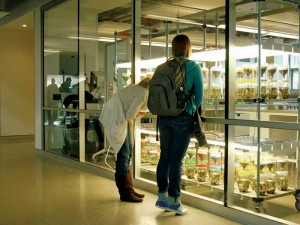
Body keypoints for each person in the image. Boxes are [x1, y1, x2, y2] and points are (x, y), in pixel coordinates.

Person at [155, 34, 204, 215]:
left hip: (164, 118)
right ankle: (175, 201)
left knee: (165, 157)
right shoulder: (193, 67)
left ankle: (162, 196)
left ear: (173, 48)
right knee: (176, 160)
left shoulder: (161, 67)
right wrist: (190, 108)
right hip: (183, 117)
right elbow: (199, 97)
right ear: (188, 48)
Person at [99, 77, 151, 203]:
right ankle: (125, 192)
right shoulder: (144, 93)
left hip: (119, 117)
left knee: (127, 153)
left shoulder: (138, 89)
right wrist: (140, 113)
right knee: (124, 154)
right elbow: (130, 115)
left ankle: (129, 188)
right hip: (118, 118)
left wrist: (139, 112)